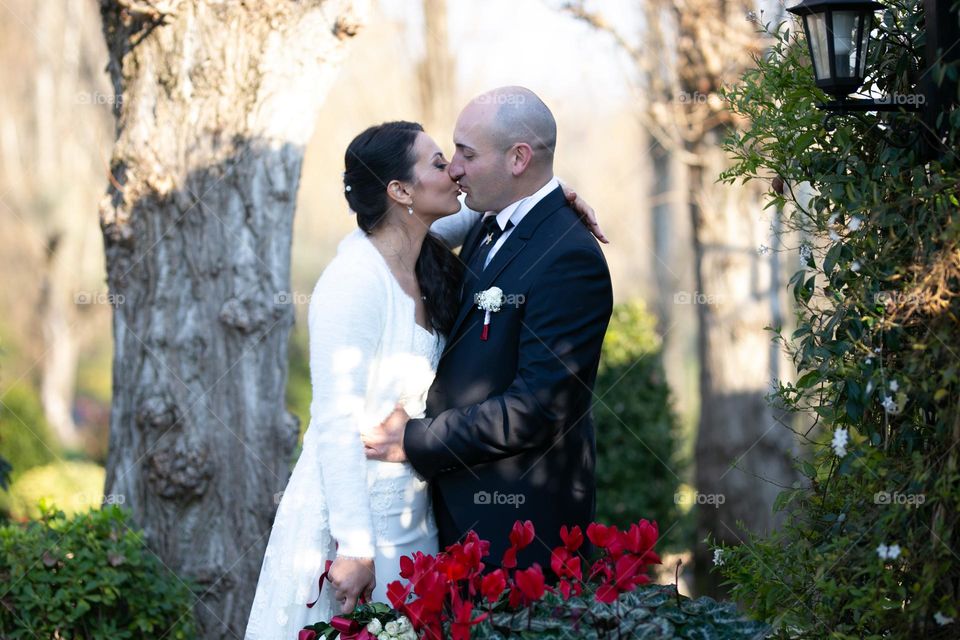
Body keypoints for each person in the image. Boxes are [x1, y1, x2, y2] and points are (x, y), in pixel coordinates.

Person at [244, 119, 603, 638]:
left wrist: (555, 197)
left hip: (418, 515)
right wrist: (353, 546)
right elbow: (334, 422)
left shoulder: (422, 250)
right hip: (357, 516)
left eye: (458, 158)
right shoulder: (353, 282)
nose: (455, 172)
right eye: (439, 162)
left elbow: (502, 212)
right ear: (399, 190)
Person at [363, 87, 614, 575]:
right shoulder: (486, 221)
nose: (453, 167)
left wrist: (415, 440)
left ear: (519, 158)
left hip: (515, 532)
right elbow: (394, 238)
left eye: (467, 154)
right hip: (454, 515)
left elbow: (536, 408)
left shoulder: (570, 259)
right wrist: (555, 192)